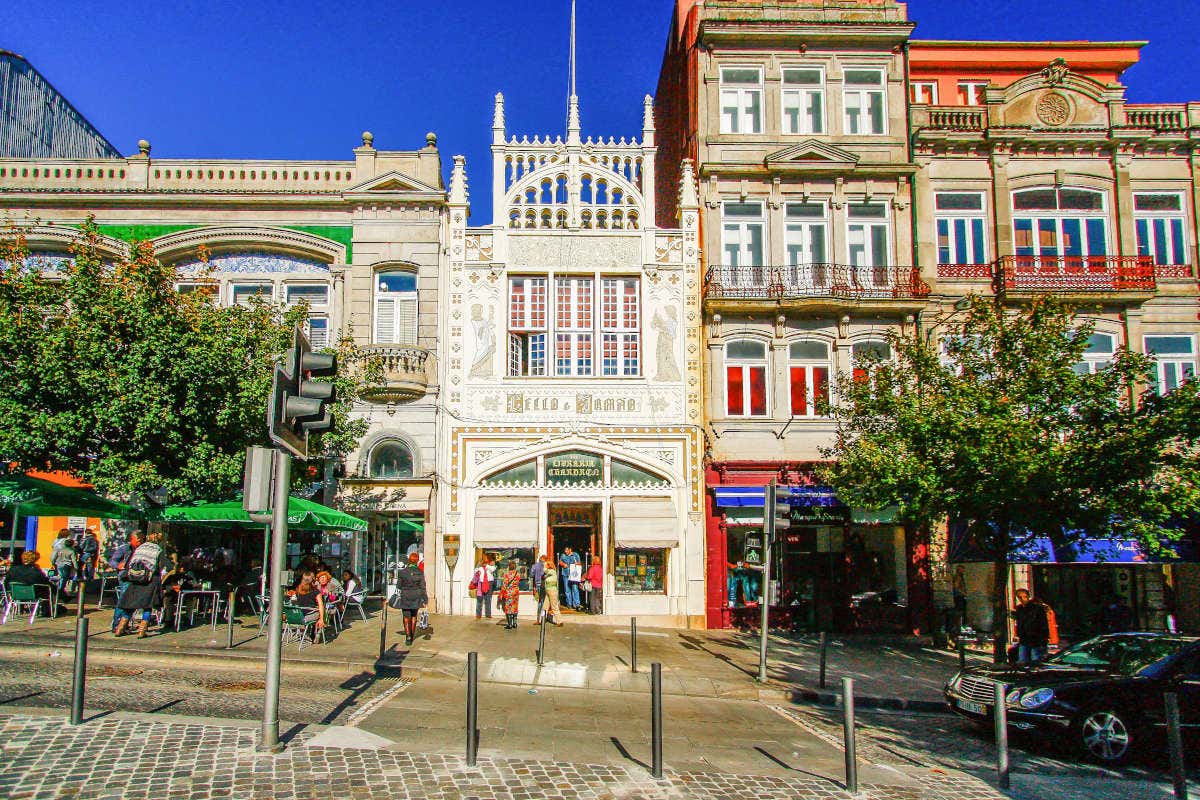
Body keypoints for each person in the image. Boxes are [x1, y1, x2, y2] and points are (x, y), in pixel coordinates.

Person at [115, 532, 166, 638]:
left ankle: (120, 628)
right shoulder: (158, 550)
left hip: (135, 579)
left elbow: (129, 563)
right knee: (147, 606)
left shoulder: (139, 548)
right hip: (149, 580)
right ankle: (142, 631)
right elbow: (163, 566)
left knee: (130, 605)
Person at [107, 533, 140, 632]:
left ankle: (124, 624)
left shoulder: (140, 550)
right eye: (137, 539)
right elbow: (112, 561)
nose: (139, 541)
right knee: (123, 600)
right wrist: (118, 566)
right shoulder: (125, 548)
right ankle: (116, 624)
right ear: (132, 539)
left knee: (131, 602)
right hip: (125, 577)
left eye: (141, 539)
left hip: (136, 577)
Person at [395, 552, 428, 645]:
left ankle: (408, 636)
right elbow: (423, 586)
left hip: (406, 595)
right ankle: (412, 635)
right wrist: (425, 599)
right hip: (416, 595)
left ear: (409, 560)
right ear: (417, 561)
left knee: (406, 616)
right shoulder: (420, 572)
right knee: (414, 615)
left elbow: (399, 585)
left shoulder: (402, 572)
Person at [1013, 588, 1050, 664]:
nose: (1023, 599)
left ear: (1028, 597)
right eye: (1020, 597)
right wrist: (1018, 634)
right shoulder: (1019, 609)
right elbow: (1019, 623)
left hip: (1037, 639)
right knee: (1022, 660)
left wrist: (1044, 638)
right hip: (1024, 639)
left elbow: (1043, 624)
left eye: (1025, 597)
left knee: (1036, 660)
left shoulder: (1037, 608)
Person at [289, 569, 326, 637]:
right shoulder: (316, 591)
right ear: (313, 580)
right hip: (306, 618)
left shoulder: (297, 589)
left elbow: (293, 602)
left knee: (315, 610)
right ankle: (317, 631)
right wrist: (321, 619)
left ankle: (310, 631)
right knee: (321, 610)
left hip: (296, 617)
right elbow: (321, 605)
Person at [50, 529, 77, 599]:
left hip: (57, 561)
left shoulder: (56, 540)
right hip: (66, 562)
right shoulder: (66, 541)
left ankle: (60, 593)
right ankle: (60, 592)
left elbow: (53, 549)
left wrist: (53, 562)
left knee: (59, 577)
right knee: (64, 578)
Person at [537, 557, 563, 627]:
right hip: (548, 591)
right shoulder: (548, 574)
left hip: (552, 591)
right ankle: (541, 620)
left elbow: (545, 570)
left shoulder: (552, 571)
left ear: (549, 566)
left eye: (546, 565)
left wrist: (545, 564)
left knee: (554, 606)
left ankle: (560, 621)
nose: (544, 567)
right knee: (544, 607)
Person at [498, 561, 521, 629]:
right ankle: (515, 623)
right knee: (515, 607)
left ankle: (509, 624)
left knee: (508, 607)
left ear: (509, 566)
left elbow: (504, 585)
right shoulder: (518, 574)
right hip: (516, 592)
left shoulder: (507, 575)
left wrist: (501, 593)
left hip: (509, 592)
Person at [471, 555, 496, 620]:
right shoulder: (479, 566)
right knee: (480, 599)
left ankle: (488, 614)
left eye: (486, 560)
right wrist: (480, 565)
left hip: (489, 583)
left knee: (488, 599)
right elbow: (475, 571)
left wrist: (486, 565)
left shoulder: (490, 566)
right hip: (481, 583)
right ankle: (478, 615)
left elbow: (493, 569)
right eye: (484, 559)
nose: (485, 561)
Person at [530, 555, 546, 621]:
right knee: (543, 601)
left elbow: (531, 575)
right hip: (544, 584)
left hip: (537, 584)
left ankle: (538, 618)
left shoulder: (534, 566)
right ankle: (542, 618)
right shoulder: (545, 566)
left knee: (540, 601)